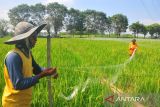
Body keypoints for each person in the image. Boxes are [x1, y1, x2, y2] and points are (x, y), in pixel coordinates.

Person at [2, 21, 58, 107]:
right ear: (25, 39)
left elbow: (37, 69)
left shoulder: (28, 53)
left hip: (25, 102)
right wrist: (42, 75)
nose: (36, 39)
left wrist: (49, 71)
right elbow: (18, 84)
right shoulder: (13, 57)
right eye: (34, 36)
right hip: (13, 103)